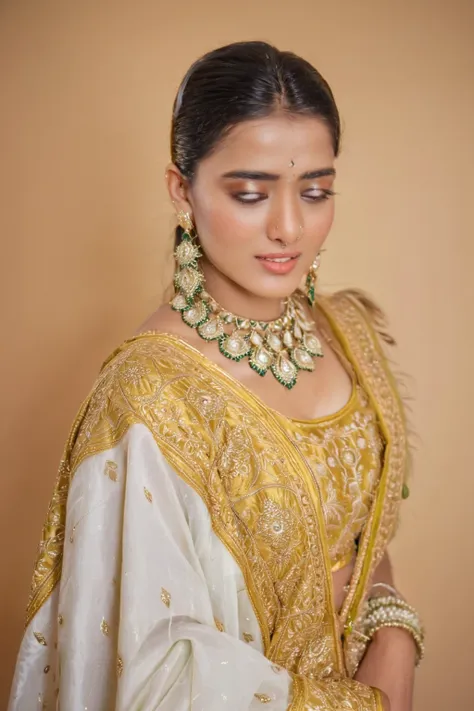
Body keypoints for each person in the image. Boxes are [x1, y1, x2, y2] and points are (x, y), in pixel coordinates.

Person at [9, 41, 424, 711]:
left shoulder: (345, 334)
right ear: (182, 189)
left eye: (315, 190)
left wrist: (395, 631)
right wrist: (366, 702)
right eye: (252, 192)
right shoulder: (150, 398)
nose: (290, 226)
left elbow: (364, 539)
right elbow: (155, 677)